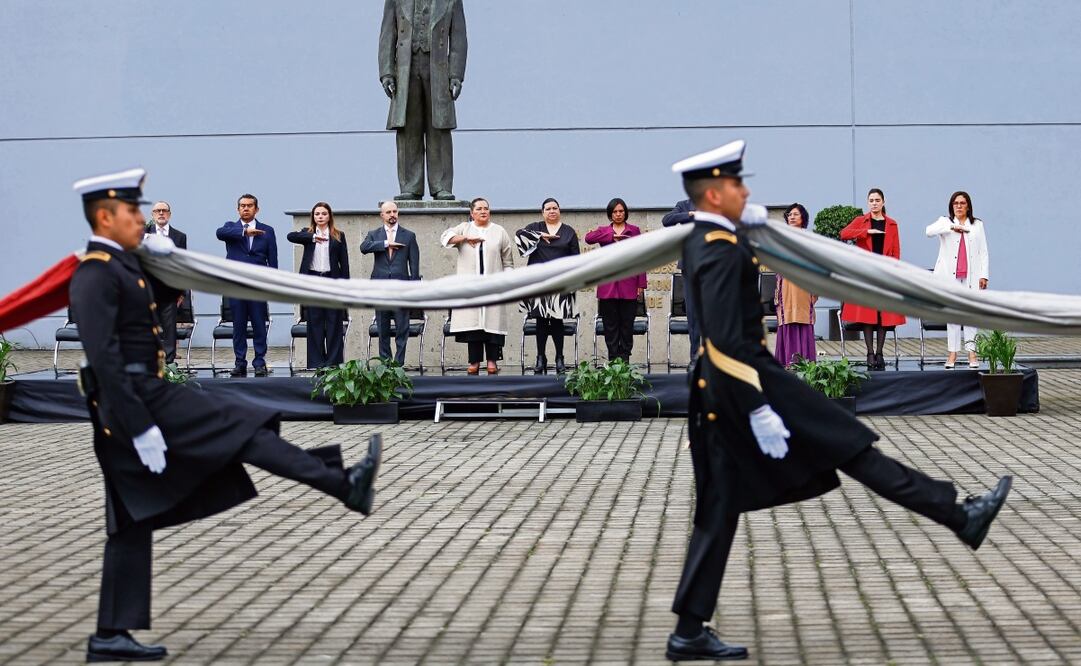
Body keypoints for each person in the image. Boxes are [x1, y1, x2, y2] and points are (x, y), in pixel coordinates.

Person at [666, 141, 1011, 662]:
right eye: (737, 184)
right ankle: (960, 517)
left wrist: (745, 229)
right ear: (714, 192)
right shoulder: (714, 244)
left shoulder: (711, 235)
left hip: (736, 384)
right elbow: (720, 337)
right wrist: (757, 406)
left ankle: (689, 632)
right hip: (740, 386)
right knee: (838, 454)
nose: (748, 190)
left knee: (738, 498)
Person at [69, 168, 380, 663]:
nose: (141, 219)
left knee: (130, 517)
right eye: (132, 212)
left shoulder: (123, 264)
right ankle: (341, 484)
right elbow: (105, 359)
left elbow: (153, 306)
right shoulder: (93, 272)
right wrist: (141, 425)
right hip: (134, 401)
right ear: (105, 217)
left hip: (140, 397)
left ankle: (110, 634)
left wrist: (169, 272)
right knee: (240, 423)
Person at [378, 0, 467, 201]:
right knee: (408, 128)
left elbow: (459, 38)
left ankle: (441, 186)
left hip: (438, 68)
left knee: (439, 128)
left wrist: (456, 75)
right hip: (405, 70)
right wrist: (386, 73)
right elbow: (387, 34)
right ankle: (410, 186)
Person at [441, 197, 515, 374]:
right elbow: (445, 238)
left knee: (492, 323)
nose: (483, 211)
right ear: (471, 213)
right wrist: (465, 238)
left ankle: (492, 361)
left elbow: (508, 260)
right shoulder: (464, 228)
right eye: (479, 209)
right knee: (473, 324)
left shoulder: (499, 231)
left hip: (493, 286)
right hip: (471, 287)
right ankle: (474, 361)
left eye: (486, 208)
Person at [839, 189, 906, 370]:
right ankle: (869, 353)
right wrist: (866, 231)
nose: (874, 203)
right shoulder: (862, 221)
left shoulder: (892, 224)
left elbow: (896, 251)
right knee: (868, 315)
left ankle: (880, 352)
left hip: (885, 273)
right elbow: (844, 233)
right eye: (871, 200)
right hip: (867, 273)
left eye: (877, 200)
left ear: (883, 202)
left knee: (882, 314)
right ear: (868, 203)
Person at [515, 198, 580, 375]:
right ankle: (540, 358)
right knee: (541, 321)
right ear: (542, 212)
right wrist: (539, 236)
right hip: (539, 282)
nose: (552, 211)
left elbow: (576, 260)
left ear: (560, 210)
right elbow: (519, 235)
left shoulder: (569, 232)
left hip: (561, 283)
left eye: (555, 208)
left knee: (557, 321)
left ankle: (560, 358)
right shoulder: (535, 227)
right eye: (548, 209)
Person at [926, 191, 990, 369]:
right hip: (950, 277)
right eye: (956, 203)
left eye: (962, 203)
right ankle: (952, 353)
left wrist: (984, 275)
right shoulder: (945, 222)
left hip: (972, 276)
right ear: (951, 206)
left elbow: (983, 251)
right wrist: (950, 228)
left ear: (968, 206)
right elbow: (928, 231)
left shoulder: (977, 225)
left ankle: (972, 353)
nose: (959, 206)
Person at [215, 194, 277, 377]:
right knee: (239, 325)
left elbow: (272, 258)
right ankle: (239, 362)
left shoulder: (268, 230)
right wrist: (244, 232)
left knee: (259, 324)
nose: (246, 208)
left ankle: (259, 361)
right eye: (242, 206)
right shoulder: (230, 228)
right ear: (237, 209)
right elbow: (219, 233)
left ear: (257, 209)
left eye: (250, 206)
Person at [287, 202, 350, 369]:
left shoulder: (338, 235)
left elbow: (344, 263)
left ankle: (333, 362)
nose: (320, 216)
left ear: (329, 216)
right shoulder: (307, 234)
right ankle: (317, 363)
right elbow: (290, 236)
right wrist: (313, 237)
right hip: (313, 280)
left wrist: (345, 286)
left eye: (323, 213)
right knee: (314, 321)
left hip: (331, 280)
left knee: (333, 322)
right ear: (313, 217)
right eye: (317, 214)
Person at [584, 197, 646, 363]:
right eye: (615, 212)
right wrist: (612, 235)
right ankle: (613, 358)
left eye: (621, 211)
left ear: (625, 213)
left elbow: (641, 257)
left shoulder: (634, 231)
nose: (618, 214)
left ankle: (625, 358)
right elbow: (588, 238)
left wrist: (641, 283)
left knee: (627, 324)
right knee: (610, 325)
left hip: (629, 282)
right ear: (610, 214)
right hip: (608, 284)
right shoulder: (604, 231)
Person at [360, 201, 421, 366]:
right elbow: (363, 247)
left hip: (401, 289)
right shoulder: (374, 234)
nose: (392, 214)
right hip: (380, 289)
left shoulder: (409, 236)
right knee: (383, 329)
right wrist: (386, 244)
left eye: (394, 211)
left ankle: (398, 364)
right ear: (382, 215)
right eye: (388, 212)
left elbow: (414, 265)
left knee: (402, 329)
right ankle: (386, 365)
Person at [773, 203, 818, 366]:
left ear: (803, 218)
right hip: (786, 285)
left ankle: (805, 364)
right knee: (787, 321)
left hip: (804, 286)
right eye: (789, 215)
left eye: (795, 214)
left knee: (803, 321)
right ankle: (786, 363)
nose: (791, 217)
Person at [143, 201, 187, 365]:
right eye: (157, 211)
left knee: (169, 328)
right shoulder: (142, 234)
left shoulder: (179, 237)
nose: (161, 213)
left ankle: (169, 363)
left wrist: (182, 291)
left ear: (169, 214)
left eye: (164, 210)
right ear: (153, 215)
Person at [662, 198, 699, 364]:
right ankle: (695, 357)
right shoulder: (684, 205)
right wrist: (690, 214)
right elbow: (667, 221)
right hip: (690, 266)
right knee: (693, 314)